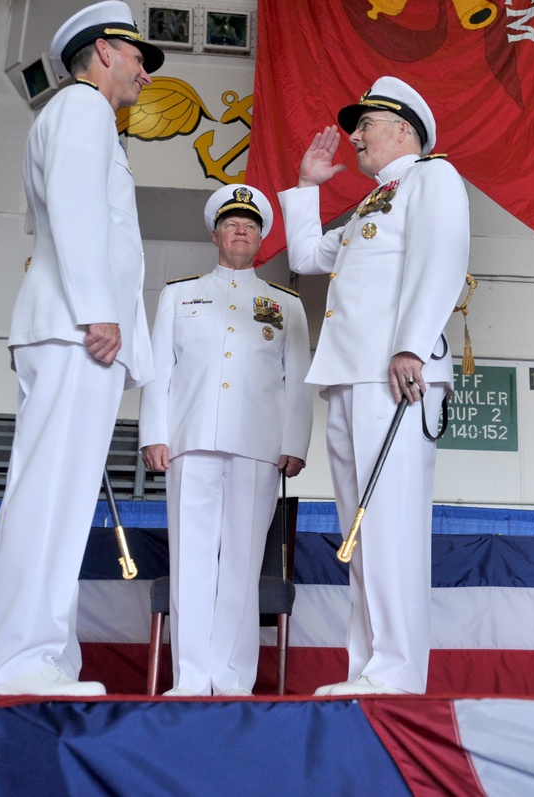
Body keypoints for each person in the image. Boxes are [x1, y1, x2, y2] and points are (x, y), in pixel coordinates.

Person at [0, 1, 163, 696]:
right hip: (74, 328)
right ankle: (18, 658)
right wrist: (99, 312)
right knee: (52, 496)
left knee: (48, 493)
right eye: (139, 57)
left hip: (63, 328)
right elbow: (76, 210)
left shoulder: (75, 116)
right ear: (104, 53)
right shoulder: (84, 110)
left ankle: (13, 654)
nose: (147, 75)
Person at [277, 76, 470, 696]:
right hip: (350, 376)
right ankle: (371, 667)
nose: (355, 136)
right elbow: (307, 257)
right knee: (361, 529)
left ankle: (396, 670)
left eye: (367, 124)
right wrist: (308, 187)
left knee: (390, 523)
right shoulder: (371, 204)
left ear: (405, 130)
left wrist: (411, 343)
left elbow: (442, 256)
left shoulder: (431, 178)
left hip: (396, 375)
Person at [138, 185, 312, 697]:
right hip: (189, 443)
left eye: (252, 225)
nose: (242, 231)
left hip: (258, 447)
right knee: (189, 564)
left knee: (241, 566)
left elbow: (296, 378)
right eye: (232, 223)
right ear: (214, 233)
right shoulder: (178, 294)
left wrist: (295, 441)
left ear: (261, 239)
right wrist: (155, 433)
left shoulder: (284, 305)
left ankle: (234, 679)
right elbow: (158, 372)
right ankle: (191, 678)